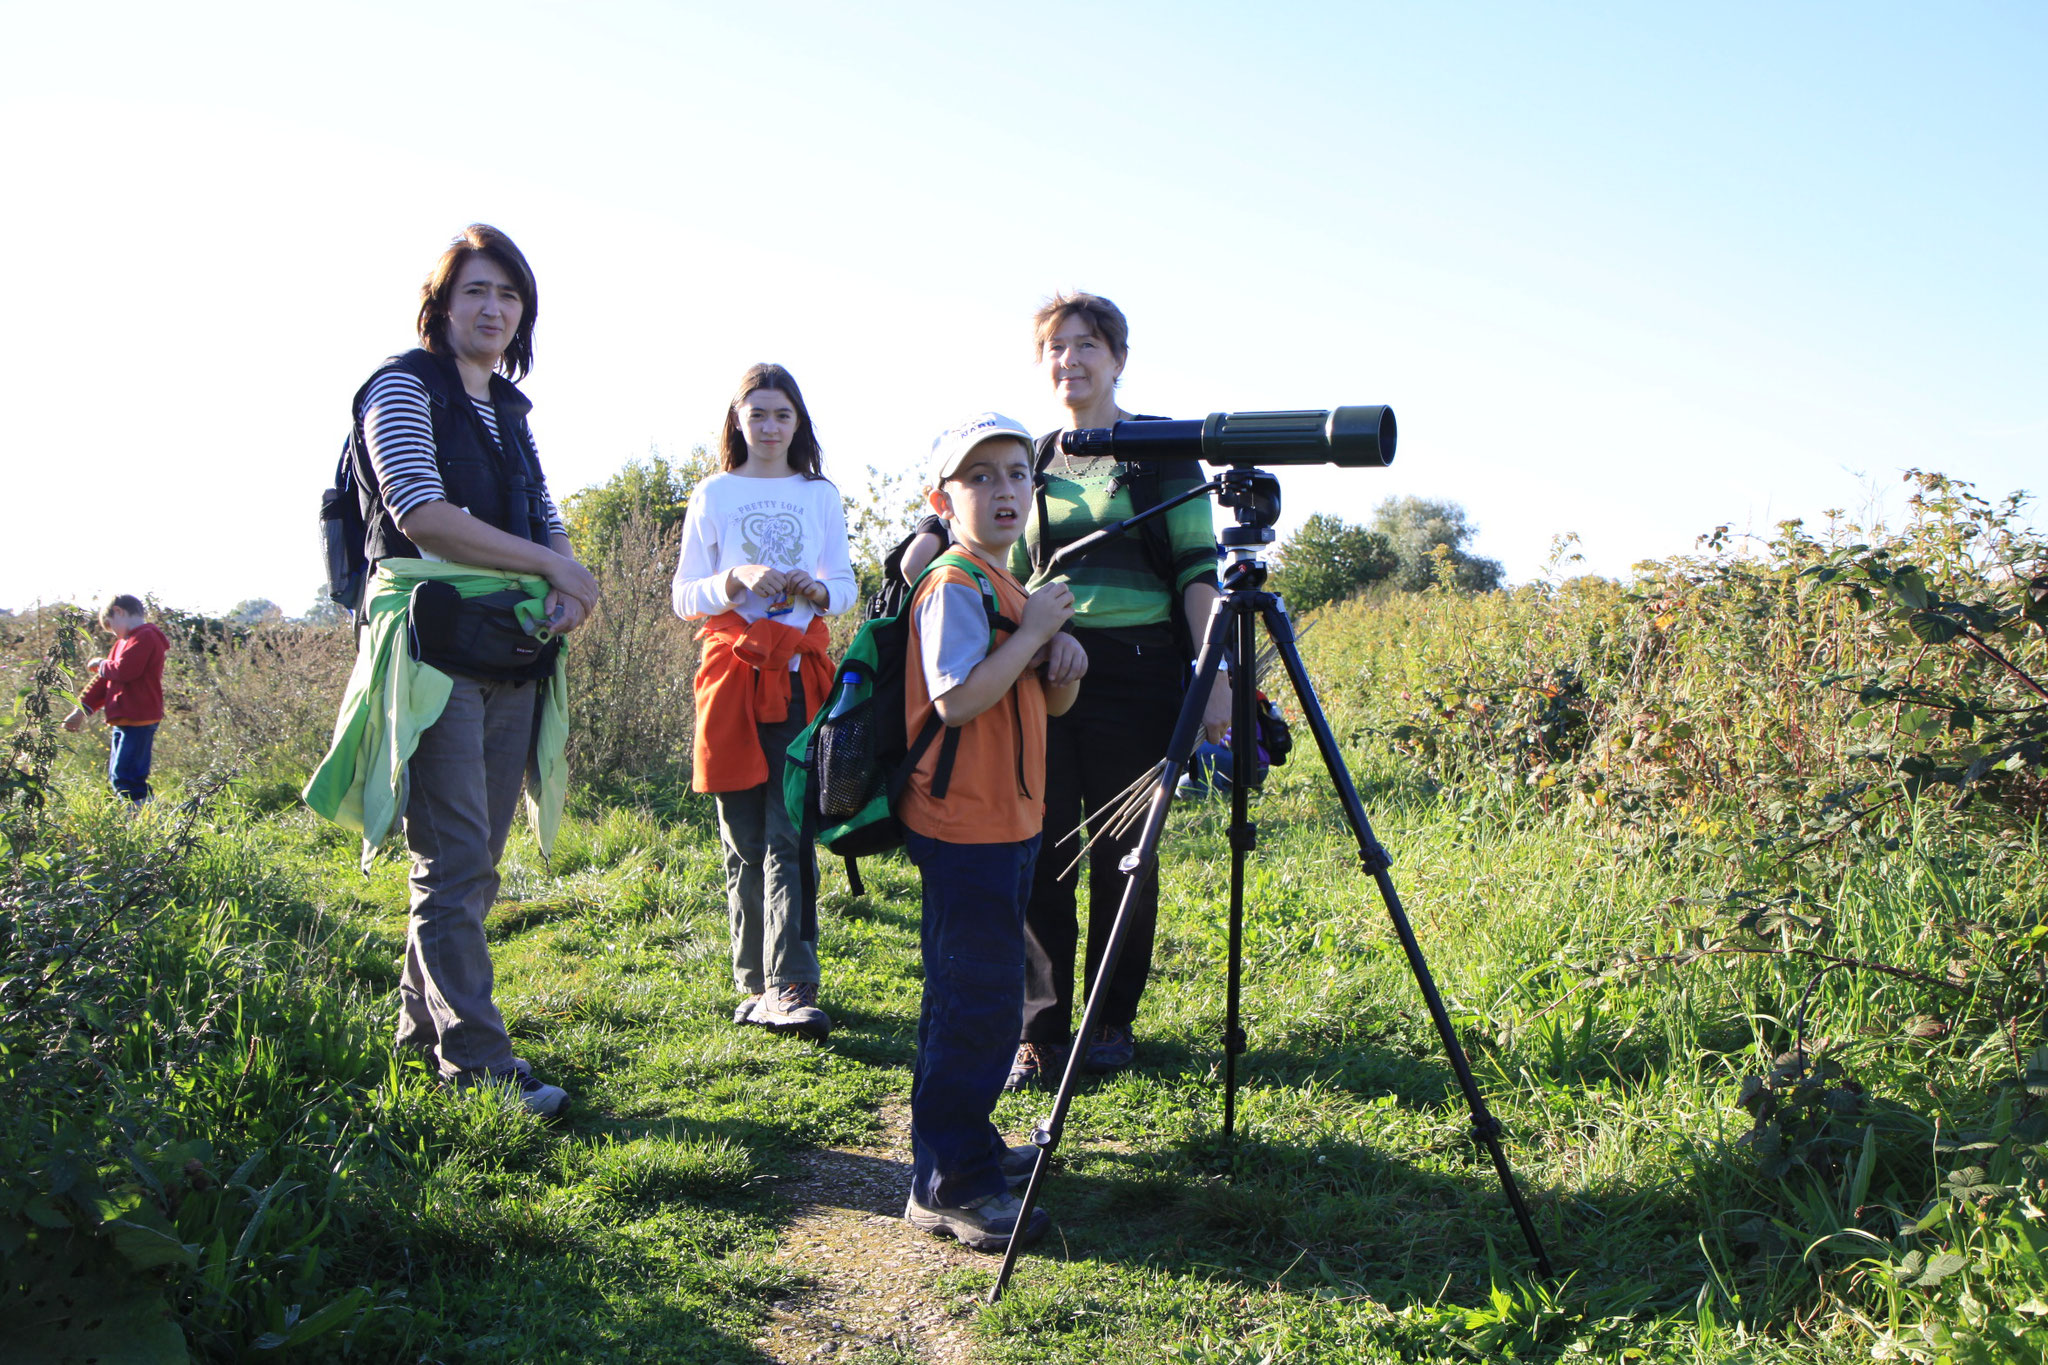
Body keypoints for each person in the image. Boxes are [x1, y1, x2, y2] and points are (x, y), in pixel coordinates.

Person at [322, 224, 598, 1116]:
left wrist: (564, 576)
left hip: (510, 648)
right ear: (440, 304)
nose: (494, 309)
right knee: (449, 862)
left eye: (509, 295)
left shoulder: (511, 413)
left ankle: (417, 1042)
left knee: (474, 862)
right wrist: (550, 565)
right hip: (433, 651)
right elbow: (421, 512)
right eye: (477, 291)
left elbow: (546, 518)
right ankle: (480, 1065)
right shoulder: (401, 387)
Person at [1007, 292, 1229, 1089]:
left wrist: (1215, 677)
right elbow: (1019, 572)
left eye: (1087, 345)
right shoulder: (1032, 455)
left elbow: (1200, 573)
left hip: (1139, 672)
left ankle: (1108, 1021)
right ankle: (1040, 1027)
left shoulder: (1160, 448)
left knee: (1123, 854)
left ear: (1118, 358)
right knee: (1041, 851)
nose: (1070, 359)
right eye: (1055, 347)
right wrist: (1042, 635)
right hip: (1046, 667)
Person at [900, 413, 1085, 1252]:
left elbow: (1035, 700)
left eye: (1017, 473)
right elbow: (958, 699)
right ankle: (949, 1184)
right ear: (945, 498)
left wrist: (1063, 667)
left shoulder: (1012, 586)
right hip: (964, 823)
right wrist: (1041, 634)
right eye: (981, 478)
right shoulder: (953, 582)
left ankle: (965, 1147)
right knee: (972, 1002)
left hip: (1008, 821)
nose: (1005, 489)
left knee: (983, 993)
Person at [672, 364, 857, 1039]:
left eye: (783, 414)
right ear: (739, 421)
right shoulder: (714, 493)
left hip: (799, 673)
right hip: (730, 674)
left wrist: (817, 589)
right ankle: (753, 982)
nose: (772, 427)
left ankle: (793, 980)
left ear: (797, 421)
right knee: (744, 835)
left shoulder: (818, 494)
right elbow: (683, 594)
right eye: (759, 415)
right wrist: (734, 577)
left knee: (792, 830)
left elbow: (847, 584)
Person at [62, 594, 168, 803]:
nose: (113, 633)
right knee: (118, 776)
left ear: (118, 611)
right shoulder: (123, 643)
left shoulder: (146, 635)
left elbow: (126, 671)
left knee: (127, 777)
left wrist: (102, 664)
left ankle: (143, 820)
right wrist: (80, 709)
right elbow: (103, 681)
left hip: (139, 718)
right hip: (124, 719)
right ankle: (142, 817)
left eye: (110, 626)